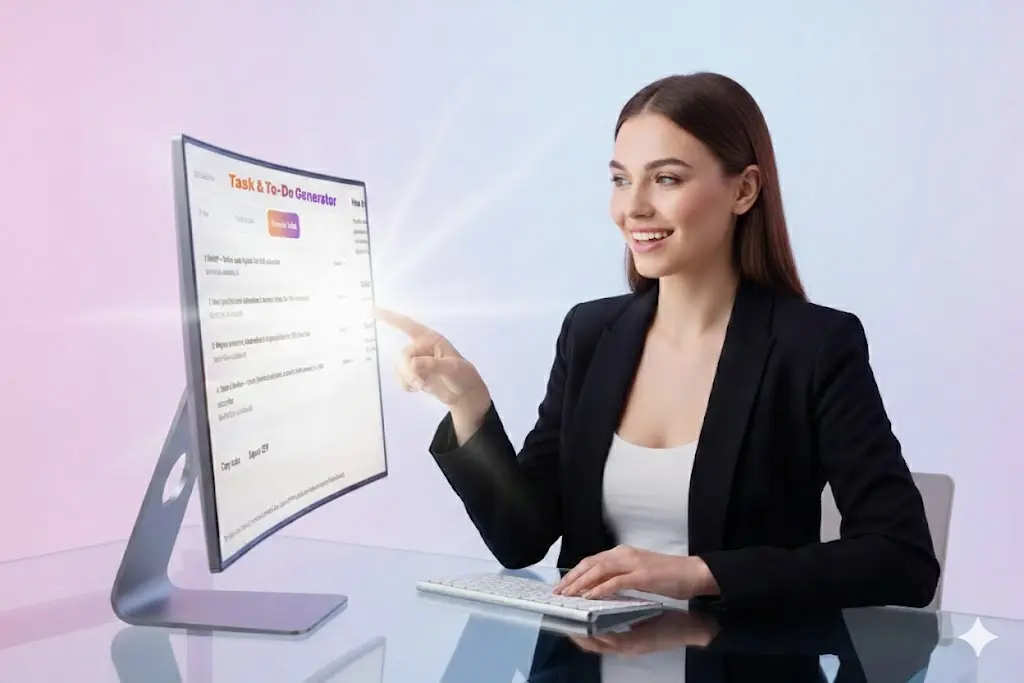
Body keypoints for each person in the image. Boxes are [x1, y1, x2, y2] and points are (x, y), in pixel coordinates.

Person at [377, 71, 940, 612]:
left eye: (666, 179)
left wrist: (700, 574)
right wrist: (467, 404)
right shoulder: (590, 334)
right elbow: (521, 541)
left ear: (744, 189)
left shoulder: (815, 347)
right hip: (587, 662)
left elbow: (903, 560)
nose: (634, 207)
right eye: (621, 178)